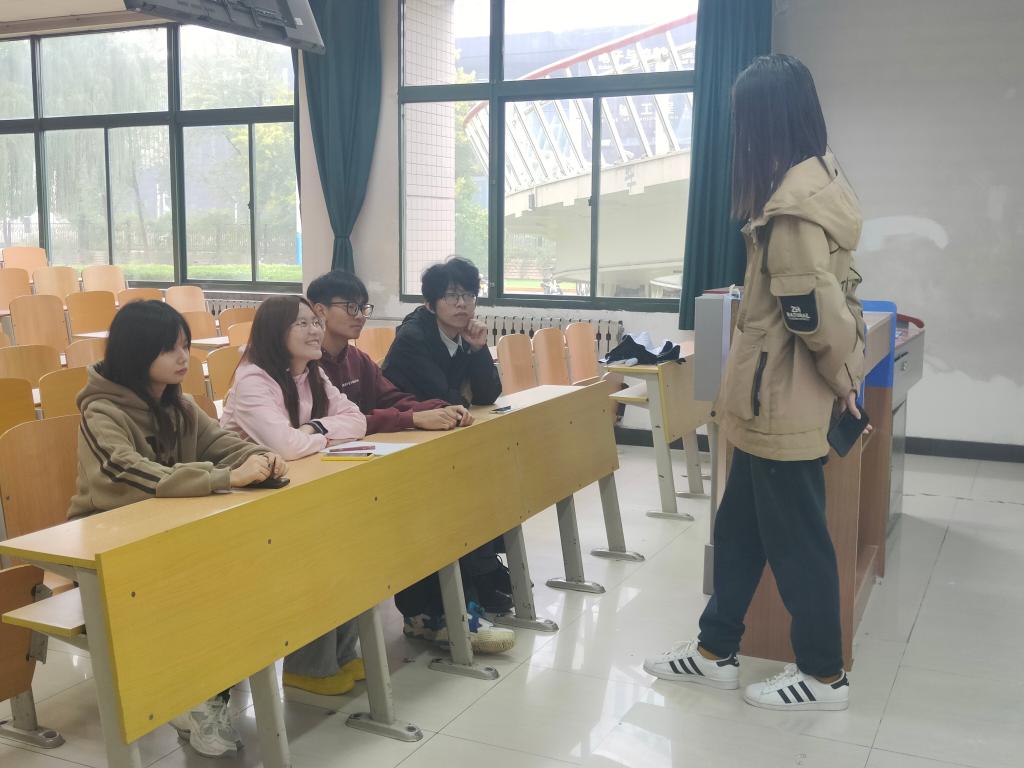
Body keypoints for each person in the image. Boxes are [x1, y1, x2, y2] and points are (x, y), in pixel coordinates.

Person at [643, 54, 867, 712]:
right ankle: (715, 650)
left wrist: (844, 375)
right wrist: (845, 370)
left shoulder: (790, 207)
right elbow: (841, 292)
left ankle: (824, 676)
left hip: (780, 401)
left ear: (764, 121)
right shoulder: (823, 179)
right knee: (738, 529)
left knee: (799, 541)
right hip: (770, 398)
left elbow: (809, 311)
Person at [67, 300, 288, 757]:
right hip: (107, 542)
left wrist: (260, 457)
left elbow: (223, 444)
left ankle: (204, 689)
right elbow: (128, 471)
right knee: (204, 587)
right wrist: (224, 477)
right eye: (170, 349)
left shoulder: (181, 405)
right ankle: (196, 694)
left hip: (170, 533)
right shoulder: (101, 412)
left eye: (185, 345)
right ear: (136, 352)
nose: (184, 357)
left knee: (243, 571)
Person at [220, 295, 369, 696]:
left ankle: (341, 653)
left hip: (295, 490)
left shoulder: (311, 373)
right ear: (275, 332)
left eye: (315, 322)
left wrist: (314, 429)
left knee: (357, 540)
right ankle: (308, 666)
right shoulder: (253, 380)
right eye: (301, 324)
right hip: (244, 503)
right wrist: (320, 435)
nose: (315, 330)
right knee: (320, 550)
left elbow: (357, 420)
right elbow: (284, 446)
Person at [380, 257, 515, 653]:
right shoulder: (414, 338)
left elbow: (487, 394)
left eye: (468, 295)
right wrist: (461, 396)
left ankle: (477, 584)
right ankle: (440, 607)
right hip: (402, 442)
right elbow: (447, 398)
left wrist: (478, 350)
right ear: (431, 302)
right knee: (449, 507)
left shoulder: (461, 336)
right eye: (451, 296)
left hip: (438, 437)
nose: (462, 304)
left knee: (485, 487)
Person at [306, 269, 474, 434]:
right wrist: (411, 418)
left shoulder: (357, 358)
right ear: (321, 311)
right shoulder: (305, 363)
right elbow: (332, 423)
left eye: (362, 308)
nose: (360, 316)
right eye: (351, 307)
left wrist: (441, 408)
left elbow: (393, 399)